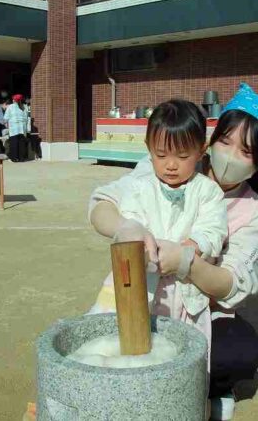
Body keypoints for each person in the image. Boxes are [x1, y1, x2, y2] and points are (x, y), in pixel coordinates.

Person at [88, 83, 258, 420]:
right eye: (225, 142)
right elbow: (105, 202)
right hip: (147, 288)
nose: (230, 156)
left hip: (199, 303)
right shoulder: (170, 160)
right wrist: (124, 228)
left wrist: (187, 261)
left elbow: (231, 284)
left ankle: (212, 391)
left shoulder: (253, 211)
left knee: (226, 351)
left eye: (245, 151)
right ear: (209, 142)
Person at [89, 99, 229, 348]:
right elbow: (116, 213)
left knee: (183, 352)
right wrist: (130, 231)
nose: (171, 165)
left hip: (185, 294)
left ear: (201, 150)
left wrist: (191, 249)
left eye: (183, 156)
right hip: (140, 286)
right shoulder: (139, 186)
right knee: (130, 345)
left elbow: (213, 230)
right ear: (148, 148)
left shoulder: (208, 191)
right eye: (161, 155)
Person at [4, 94, 29, 162]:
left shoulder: (10, 107)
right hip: (22, 128)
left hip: (14, 128)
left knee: (14, 143)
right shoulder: (25, 107)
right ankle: (21, 158)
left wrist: (5, 124)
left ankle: (14, 158)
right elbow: (27, 118)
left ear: (14, 100)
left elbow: (6, 118)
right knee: (21, 143)